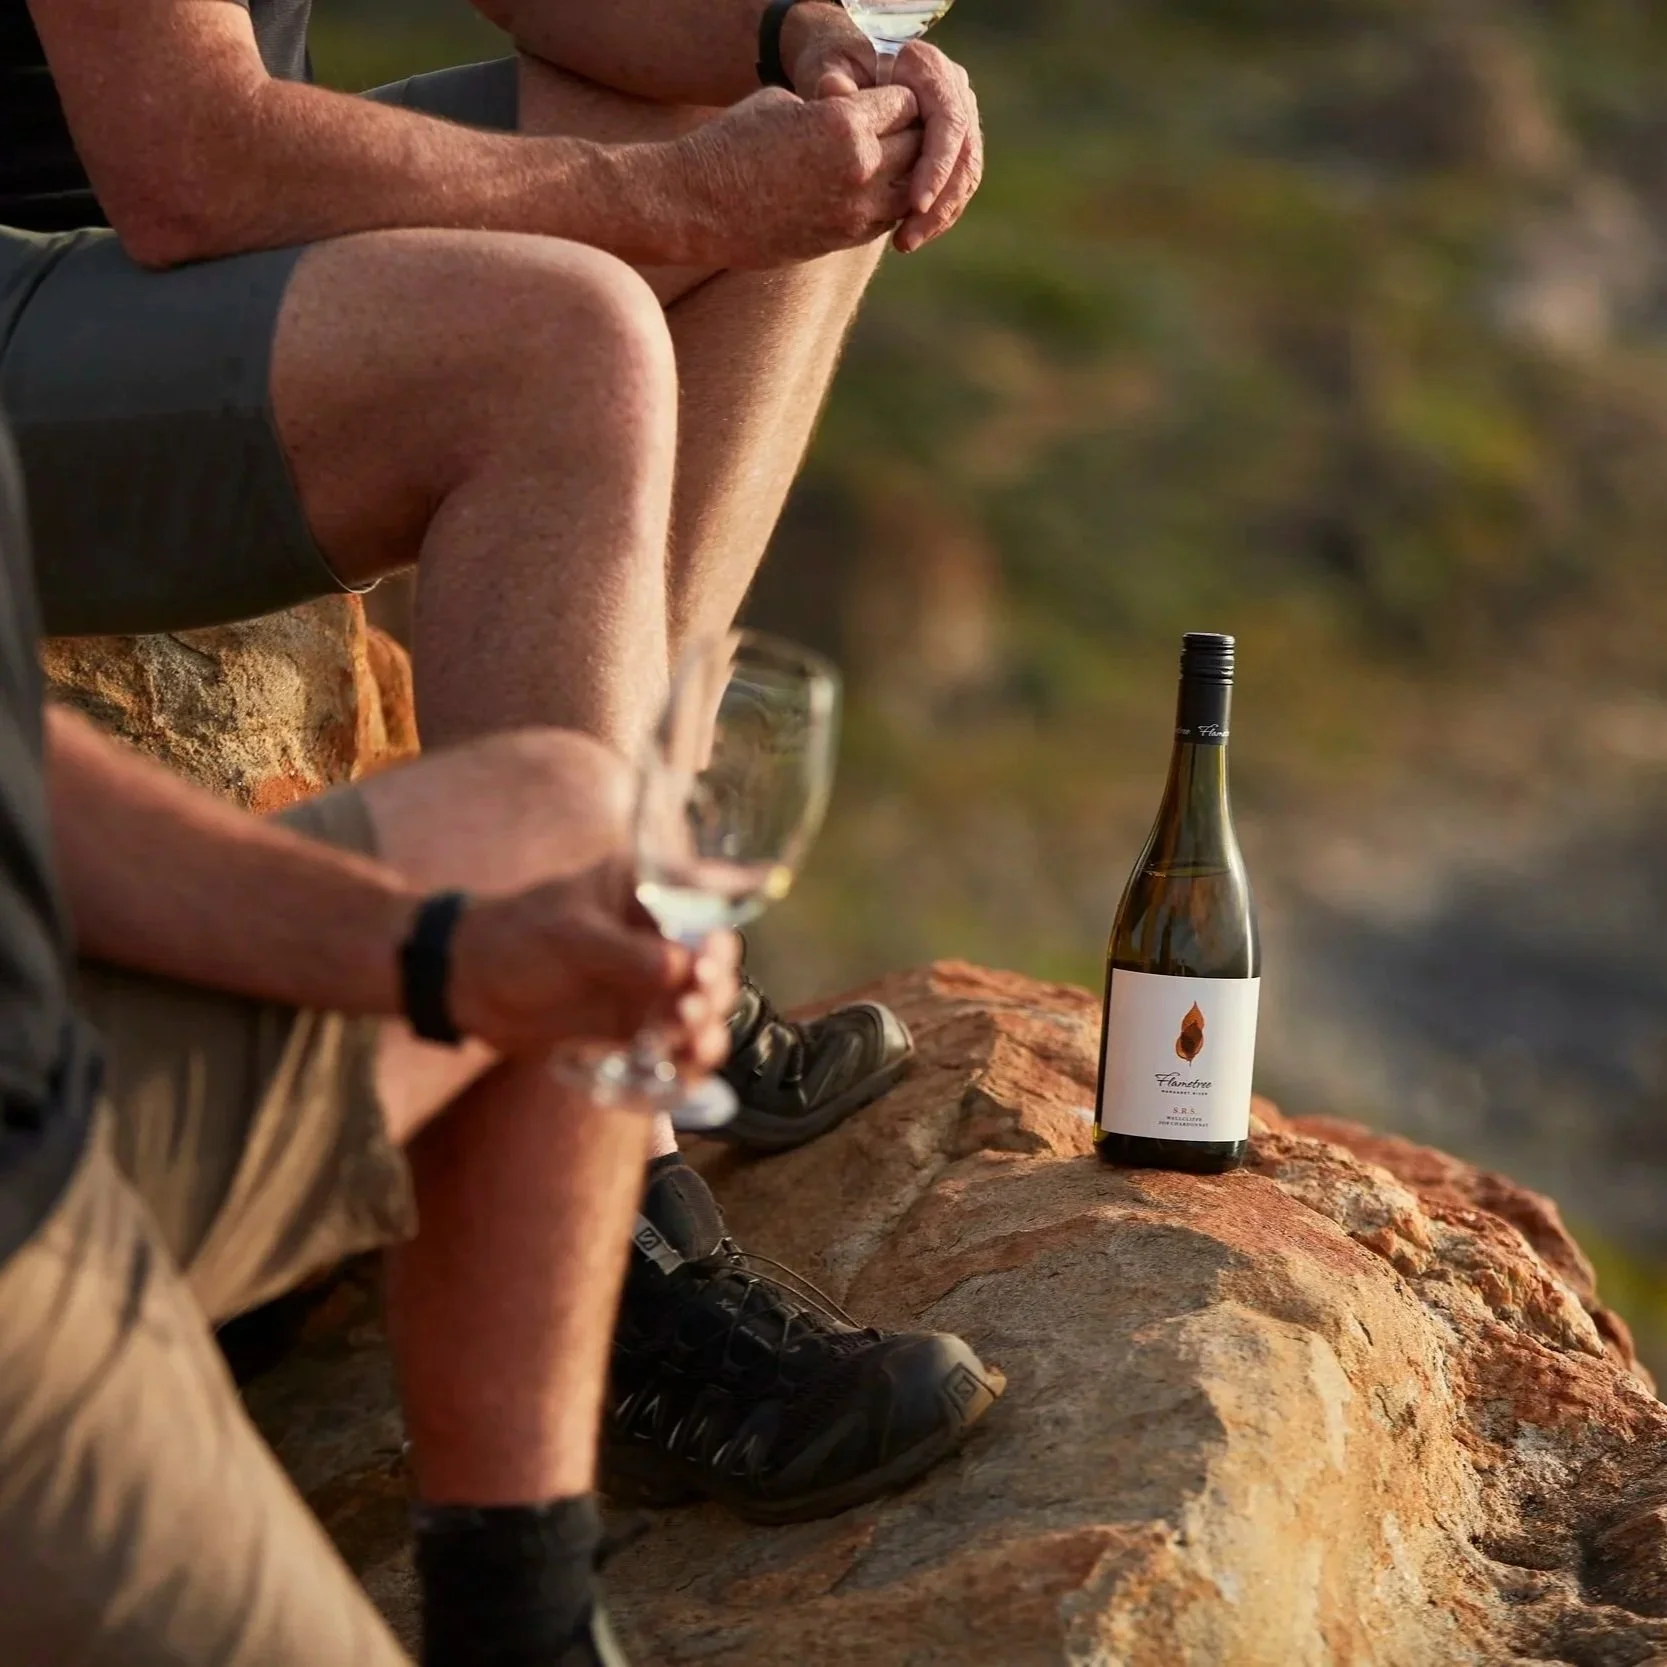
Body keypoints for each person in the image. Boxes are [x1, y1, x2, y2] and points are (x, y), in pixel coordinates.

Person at [0, 0, 1000, 1563]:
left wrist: (800, 41)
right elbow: (188, 160)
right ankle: (606, 1244)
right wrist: (682, 203)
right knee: (553, 338)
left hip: (121, 250)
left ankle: (640, 915)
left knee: (815, 159)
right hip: (37, 268)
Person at [0, 419, 1001, 1666]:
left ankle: (525, 1614)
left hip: (61, 1076)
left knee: (556, 816)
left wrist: (441, 949)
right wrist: (442, 959)